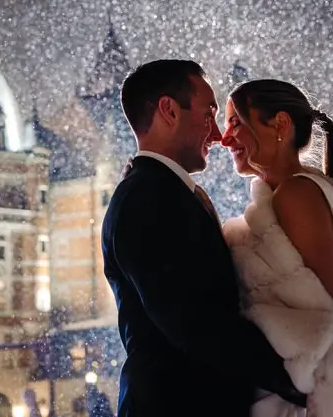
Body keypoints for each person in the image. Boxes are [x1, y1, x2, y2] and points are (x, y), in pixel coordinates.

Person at [101, 59, 306, 416]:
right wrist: (296, 379)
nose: (218, 135)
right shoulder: (147, 198)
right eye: (209, 113)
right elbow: (195, 324)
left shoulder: (158, 192)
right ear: (169, 110)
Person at [221, 79, 333, 416]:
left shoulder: (297, 195)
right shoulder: (291, 196)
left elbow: (320, 326)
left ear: (280, 124)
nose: (224, 138)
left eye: (235, 122)